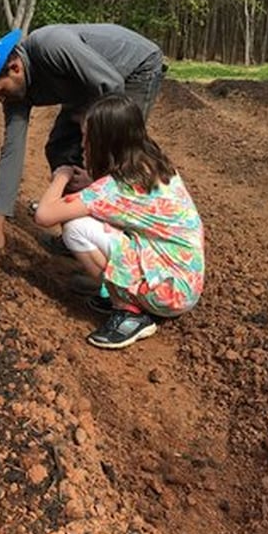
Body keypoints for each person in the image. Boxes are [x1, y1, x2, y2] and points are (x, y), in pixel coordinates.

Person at [0, 23, 166, 271]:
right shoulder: (16, 93)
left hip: (132, 70)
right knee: (60, 149)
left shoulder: (51, 46)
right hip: (87, 85)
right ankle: (79, 235)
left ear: (14, 68)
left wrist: (95, 168)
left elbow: (111, 87)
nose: (0, 100)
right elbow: (11, 152)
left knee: (113, 156)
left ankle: (120, 256)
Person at [34, 94, 204, 349]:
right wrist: (92, 185)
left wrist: (62, 174)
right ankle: (129, 292)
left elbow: (44, 215)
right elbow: (126, 204)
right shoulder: (151, 163)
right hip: (183, 277)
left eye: (86, 137)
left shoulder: (112, 189)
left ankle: (128, 309)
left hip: (169, 294)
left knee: (76, 229)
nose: (82, 144)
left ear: (104, 142)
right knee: (92, 218)